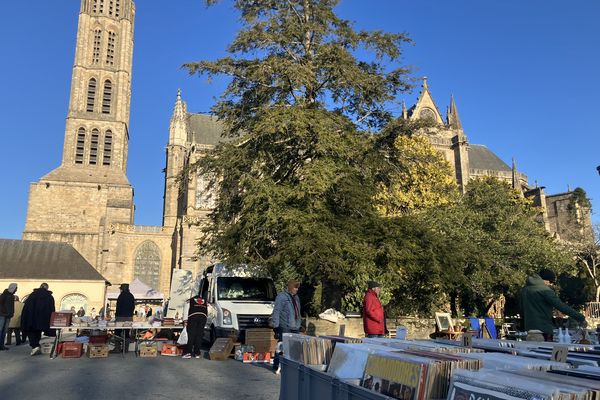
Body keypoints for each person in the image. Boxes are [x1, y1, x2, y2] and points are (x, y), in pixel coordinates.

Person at [521, 268, 586, 341]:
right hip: (543, 331)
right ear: (546, 280)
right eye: (551, 282)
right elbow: (560, 306)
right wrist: (580, 317)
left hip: (529, 330)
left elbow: (521, 307)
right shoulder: (544, 290)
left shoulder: (525, 289)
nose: (551, 284)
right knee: (545, 352)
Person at [272, 279, 301, 373]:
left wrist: (300, 324)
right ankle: (277, 364)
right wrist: (275, 325)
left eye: (297, 288)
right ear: (290, 287)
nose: (296, 290)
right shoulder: (281, 297)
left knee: (293, 347)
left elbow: (298, 312)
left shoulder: (296, 298)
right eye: (295, 288)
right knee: (282, 346)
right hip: (285, 325)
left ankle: (289, 366)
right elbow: (277, 311)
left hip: (295, 326)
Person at [21, 283, 55, 356]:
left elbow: (27, 307)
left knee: (32, 332)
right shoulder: (49, 297)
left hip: (32, 318)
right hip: (43, 319)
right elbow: (51, 309)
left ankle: (35, 346)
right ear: (47, 288)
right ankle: (36, 345)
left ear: (40, 287)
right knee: (38, 331)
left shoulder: (32, 295)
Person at [182, 293, 208, 359]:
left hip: (193, 316)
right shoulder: (204, 301)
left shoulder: (189, 301)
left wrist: (185, 321)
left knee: (191, 335)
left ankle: (188, 353)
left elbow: (186, 311)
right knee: (199, 335)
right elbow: (208, 310)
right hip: (203, 317)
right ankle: (197, 353)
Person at [112, 283, 135, 353]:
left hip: (120, 317)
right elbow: (133, 307)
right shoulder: (131, 296)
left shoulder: (121, 296)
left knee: (117, 332)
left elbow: (118, 308)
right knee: (127, 333)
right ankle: (125, 349)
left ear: (122, 289)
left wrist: (116, 316)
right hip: (129, 317)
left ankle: (117, 349)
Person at [0, 283, 18, 350]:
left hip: (8, 316)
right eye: (16, 288)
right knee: (0, 330)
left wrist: (11, 313)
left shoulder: (12, 296)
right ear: (12, 288)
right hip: (2, 315)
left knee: (4, 331)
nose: (16, 290)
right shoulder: (4, 295)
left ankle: (2, 345)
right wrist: (5, 311)